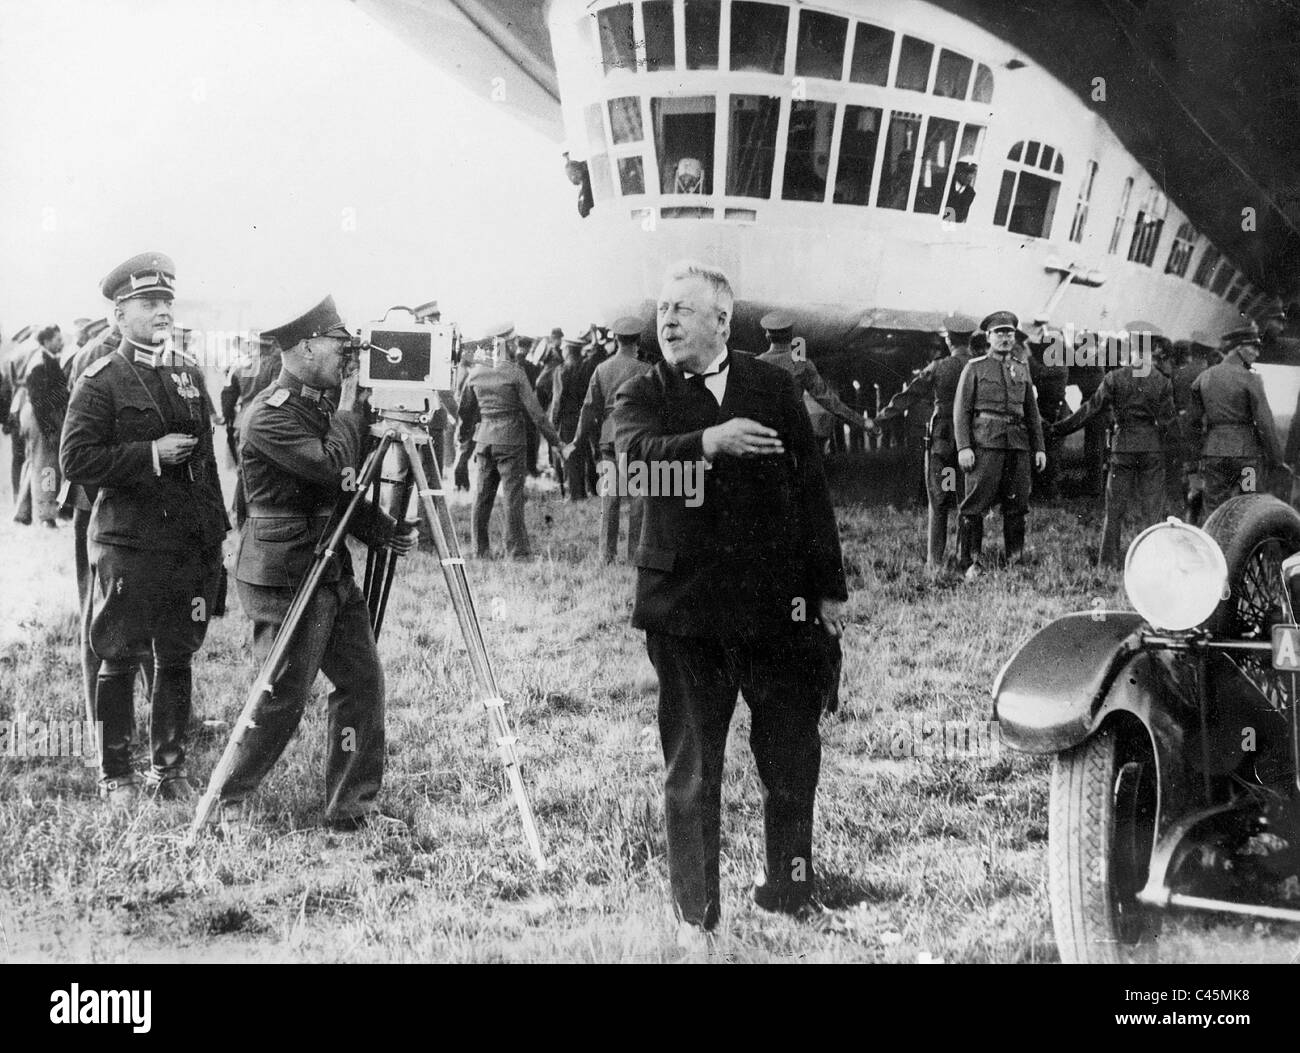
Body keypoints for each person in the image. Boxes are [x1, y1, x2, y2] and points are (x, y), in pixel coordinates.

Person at [612, 261, 847, 948]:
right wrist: (709, 443)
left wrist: (828, 589)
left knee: (792, 756)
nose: (669, 320)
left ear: (723, 318)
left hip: (778, 611)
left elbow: (812, 492)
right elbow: (635, 468)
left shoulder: (772, 386)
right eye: (662, 309)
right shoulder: (643, 390)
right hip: (686, 615)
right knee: (693, 769)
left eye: (683, 309)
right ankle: (695, 917)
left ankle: (792, 888)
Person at [216, 295, 417, 831]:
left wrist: (381, 530)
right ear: (305, 346)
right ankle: (225, 801)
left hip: (328, 569)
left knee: (362, 682)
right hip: (284, 576)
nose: (347, 354)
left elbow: (336, 496)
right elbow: (332, 468)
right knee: (281, 694)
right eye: (337, 343)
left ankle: (352, 808)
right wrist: (352, 405)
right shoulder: (268, 416)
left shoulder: (316, 405)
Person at [60, 252, 228, 803]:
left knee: (177, 653)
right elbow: (77, 460)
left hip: (182, 540)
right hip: (127, 539)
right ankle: (117, 774)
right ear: (118, 315)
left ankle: (170, 770)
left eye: (166, 302)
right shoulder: (100, 379)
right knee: (119, 653)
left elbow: (204, 462)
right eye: (148, 302)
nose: (162, 311)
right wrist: (149, 455)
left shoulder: (186, 372)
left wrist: (214, 534)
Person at [1050, 336, 1176, 568]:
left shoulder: (1114, 378)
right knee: (1152, 510)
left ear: (1130, 353)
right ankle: (1154, 562)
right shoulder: (1162, 381)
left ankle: (1107, 562)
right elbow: (1168, 423)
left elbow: (1089, 410)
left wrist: (1059, 429)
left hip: (1122, 447)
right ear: (1149, 354)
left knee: (1114, 509)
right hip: (1151, 448)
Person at [878, 318, 981, 570]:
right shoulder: (981, 367)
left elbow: (910, 395)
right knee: (967, 499)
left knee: (938, 499)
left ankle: (934, 562)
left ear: (948, 340)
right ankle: (967, 559)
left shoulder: (938, 367)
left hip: (942, 439)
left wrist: (882, 417)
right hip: (973, 440)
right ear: (969, 339)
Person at [458, 322, 564, 559]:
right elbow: (537, 414)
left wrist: (464, 442)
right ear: (506, 343)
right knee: (512, 497)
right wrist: (556, 442)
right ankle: (516, 552)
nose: (516, 344)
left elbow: (465, 412)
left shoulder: (476, 373)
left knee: (482, 497)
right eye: (513, 340)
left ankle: (480, 550)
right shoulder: (515, 372)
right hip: (511, 440)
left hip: (484, 440)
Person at [953, 311, 1047, 577]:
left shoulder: (1022, 368)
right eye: (999, 333)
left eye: (1009, 333)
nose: (1005, 338)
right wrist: (964, 447)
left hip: (1017, 445)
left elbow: (1032, 412)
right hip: (985, 445)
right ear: (989, 337)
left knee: (1017, 505)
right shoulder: (975, 368)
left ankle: (1014, 560)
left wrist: (1039, 447)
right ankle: (970, 563)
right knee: (975, 504)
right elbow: (961, 411)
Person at [571, 315, 652, 562]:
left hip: (609, 436)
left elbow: (588, 407)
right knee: (638, 497)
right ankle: (635, 554)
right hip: (636, 435)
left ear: (616, 339)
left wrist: (577, 439)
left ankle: (606, 554)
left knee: (610, 497)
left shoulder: (601, 369)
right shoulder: (646, 370)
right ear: (638, 340)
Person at [1188, 322, 1288, 517]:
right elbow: (1265, 423)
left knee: (1214, 508)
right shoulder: (1251, 379)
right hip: (1247, 459)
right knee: (1248, 503)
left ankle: (1214, 546)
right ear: (1239, 349)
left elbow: (1192, 424)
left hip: (1214, 455)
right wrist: (1277, 460)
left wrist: (1195, 460)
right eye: (1253, 348)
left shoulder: (1203, 378)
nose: (1257, 354)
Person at [16, 325, 69, 528]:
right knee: (47, 467)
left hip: (40, 416)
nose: (61, 343)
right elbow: (40, 401)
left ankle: (24, 512)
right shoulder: (41, 363)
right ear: (46, 342)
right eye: (57, 339)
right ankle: (47, 516)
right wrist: (49, 430)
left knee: (36, 463)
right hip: (41, 418)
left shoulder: (45, 360)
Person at [551, 337, 591, 499]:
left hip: (567, 420)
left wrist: (553, 421)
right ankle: (587, 489)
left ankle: (576, 494)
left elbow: (557, 399)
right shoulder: (587, 368)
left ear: (567, 350)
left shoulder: (561, 371)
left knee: (570, 456)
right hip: (584, 416)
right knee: (583, 454)